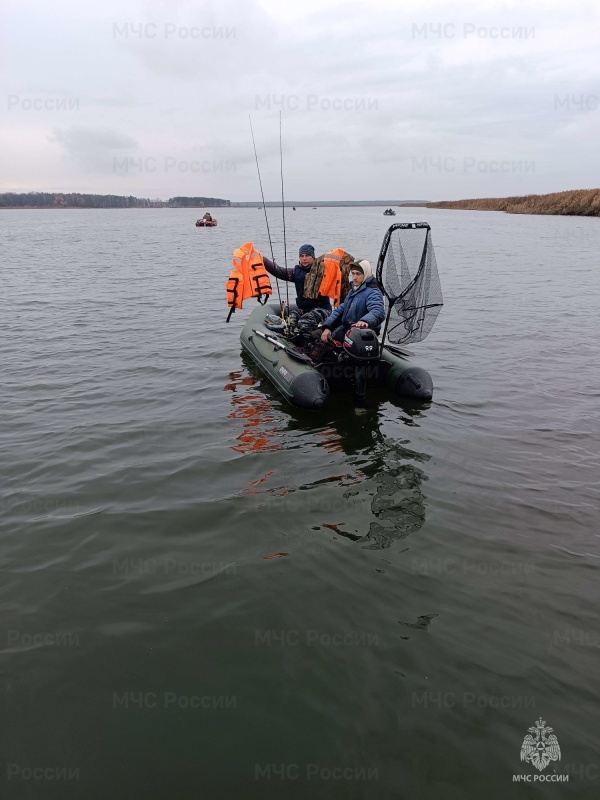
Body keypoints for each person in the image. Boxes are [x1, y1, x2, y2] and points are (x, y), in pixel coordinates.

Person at [320, 259, 385, 343]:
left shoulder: (373, 292)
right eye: (353, 273)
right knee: (318, 335)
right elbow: (341, 309)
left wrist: (364, 321)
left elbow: (378, 311)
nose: (354, 277)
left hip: (362, 333)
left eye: (358, 274)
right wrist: (328, 327)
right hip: (348, 328)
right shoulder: (354, 290)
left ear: (366, 274)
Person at [263, 244, 332, 313]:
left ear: (313, 257)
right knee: (293, 317)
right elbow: (278, 271)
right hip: (304, 310)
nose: (304, 258)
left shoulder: (322, 271)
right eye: (302, 256)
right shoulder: (296, 272)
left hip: (322, 310)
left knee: (307, 318)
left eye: (307, 255)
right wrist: (263, 259)